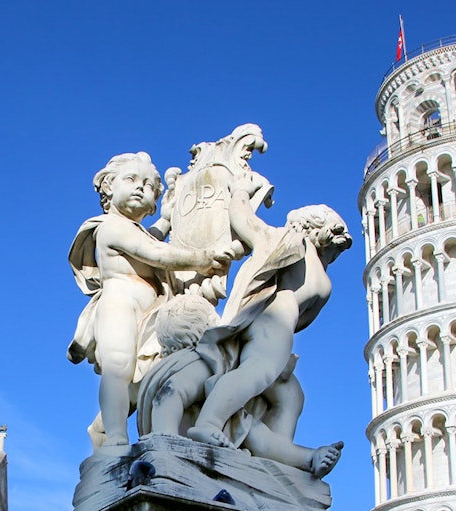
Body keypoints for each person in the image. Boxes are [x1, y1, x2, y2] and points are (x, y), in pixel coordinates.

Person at [68, 152, 231, 447]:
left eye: (148, 185)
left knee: (141, 378)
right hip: (120, 305)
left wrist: (168, 219)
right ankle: (116, 437)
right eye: (130, 179)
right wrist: (201, 259)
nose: (140, 187)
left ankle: (102, 428)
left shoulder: (137, 231)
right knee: (119, 368)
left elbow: (151, 239)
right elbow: (156, 253)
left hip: (152, 309)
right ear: (108, 187)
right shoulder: (110, 226)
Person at [183, 204, 352, 460]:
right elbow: (244, 220)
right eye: (336, 246)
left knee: (291, 396)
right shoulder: (289, 241)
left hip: (283, 328)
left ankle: (277, 458)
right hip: (274, 320)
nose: (336, 253)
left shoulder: (315, 264)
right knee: (257, 373)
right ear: (319, 229)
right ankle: (209, 422)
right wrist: (240, 190)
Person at [136, 293, 343, 477]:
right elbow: (169, 394)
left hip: (214, 433)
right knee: (256, 434)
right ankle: (307, 458)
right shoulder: (198, 361)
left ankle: (308, 458)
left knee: (256, 433)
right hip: (185, 439)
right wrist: (168, 443)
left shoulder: (215, 372)